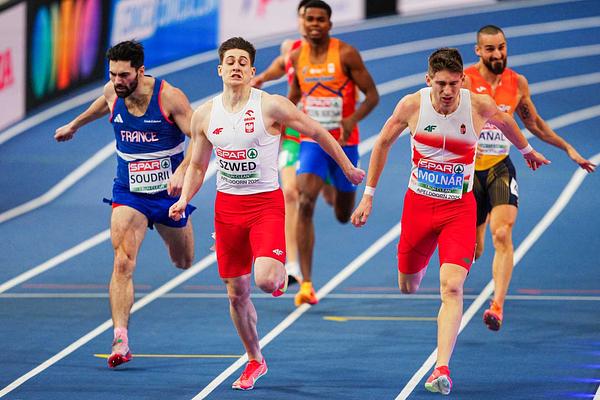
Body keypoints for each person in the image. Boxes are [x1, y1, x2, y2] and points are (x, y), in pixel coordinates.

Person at [168, 37, 364, 391]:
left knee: (267, 281)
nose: (236, 67)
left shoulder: (270, 105)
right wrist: (184, 198)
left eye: (243, 62)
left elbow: (317, 131)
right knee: (236, 294)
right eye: (230, 61)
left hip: (265, 206)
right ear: (220, 69)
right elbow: (197, 166)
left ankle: (277, 273)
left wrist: (347, 167)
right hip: (227, 210)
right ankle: (255, 359)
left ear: (252, 71)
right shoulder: (205, 115)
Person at [351, 48, 549, 394]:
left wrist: (527, 151)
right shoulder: (412, 106)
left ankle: (441, 368)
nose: (446, 91)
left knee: (452, 287)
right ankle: (423, 260)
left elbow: (507, 123)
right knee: (408, 285)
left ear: (462, 81)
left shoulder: (478, 106)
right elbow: (381, 143)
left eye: (453, 85)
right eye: (440, 84)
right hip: (418, 208)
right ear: (428, 80)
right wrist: (368, 195)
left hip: (459, 209)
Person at [54, 40, 196, 369]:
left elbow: (199, 137)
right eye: (113, 74)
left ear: (140, 71)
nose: (117, 81)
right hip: (129, 193)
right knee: (122, 263)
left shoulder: (169, 97)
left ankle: (177, 230)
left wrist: (182, 172)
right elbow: (102, 105)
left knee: (184, 261)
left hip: (168, 194)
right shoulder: (112, 91)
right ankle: (120, 338)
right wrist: (74, 125)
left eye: (124, 75)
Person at [464, 25, 596, 331]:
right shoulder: (465, 80)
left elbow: (534, 123)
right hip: (468, 173)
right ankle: (456, 290)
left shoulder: (517, 83)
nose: (497, 54)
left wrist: (568, 148)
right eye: (490, 49)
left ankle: (497, 306)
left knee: (502, 234)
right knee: (474, 248)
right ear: (478, 51)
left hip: (499, 168)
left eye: (501, 47)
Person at [288, 0, 379, 306]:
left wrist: (352, 119)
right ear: (303, 22)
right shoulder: (297, 56)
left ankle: (330, 181)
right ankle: (307, 283)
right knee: (304, 202)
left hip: (344, 144)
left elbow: (373, 95)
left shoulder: (346, 54)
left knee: (342, 214)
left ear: (329, 24)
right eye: (309, 19)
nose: (314, 24)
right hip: (312, 141)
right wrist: (281, 121)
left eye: (320, 19)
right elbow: (294, 95)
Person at [250, 0, 312, 285]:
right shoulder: (291, 49)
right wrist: (263, 77)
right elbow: (281, 65)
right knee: (289, 193)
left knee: (336, 202)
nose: (308, 24)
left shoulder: (336, 54)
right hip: (294, 135)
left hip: (323, 134)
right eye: (303, 18)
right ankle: (293, 265)